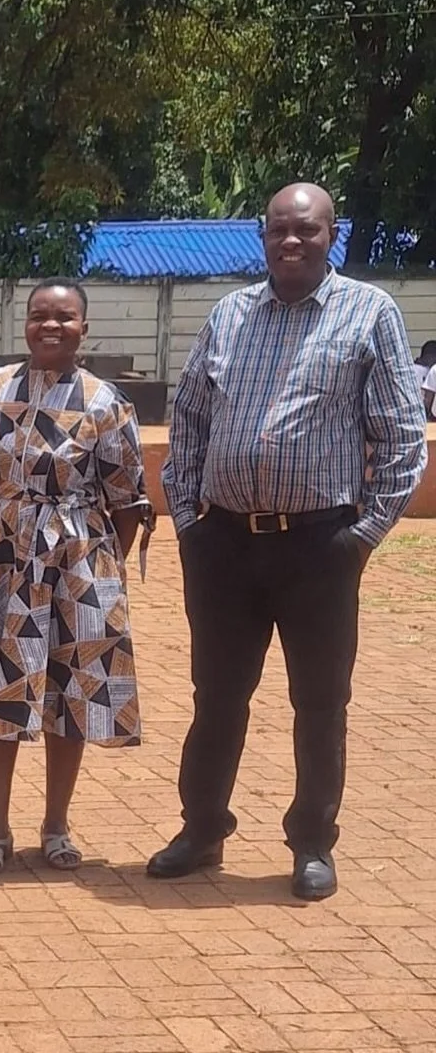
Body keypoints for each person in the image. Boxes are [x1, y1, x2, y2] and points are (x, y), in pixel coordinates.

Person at [151, 182, 427, 901]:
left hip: (319, 547)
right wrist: (188, 522)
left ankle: (311, 842)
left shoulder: (371, 314)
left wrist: (363, 535)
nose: (291, 241)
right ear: (262, 235)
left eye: (306, 230)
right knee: (216, 694)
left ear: (332, 234)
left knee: (320, 700)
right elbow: (188, 420)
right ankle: (202, 827)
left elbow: (401, 436)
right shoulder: (229, 314)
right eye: (279, 229)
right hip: (224, 545)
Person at [0, 279, 152, 875]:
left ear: (83, 329)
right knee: (3, 690)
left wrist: (97, 569)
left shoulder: (104, 401)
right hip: (3, 561)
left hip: (80, 563)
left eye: (64, 318)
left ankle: (57, 825)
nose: (51, 326)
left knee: (72, 691)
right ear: (26, 324)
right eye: (40, 316)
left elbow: (127, 498)